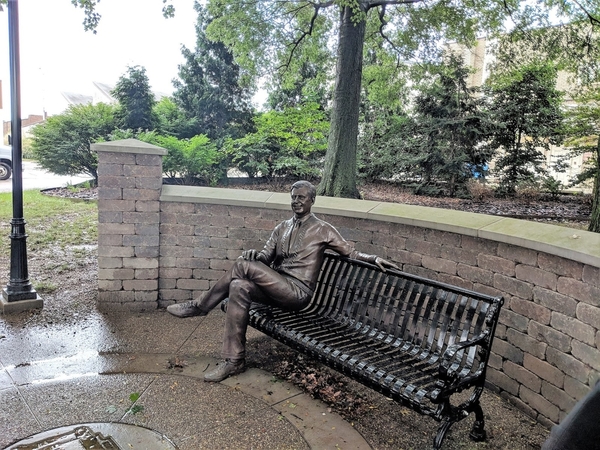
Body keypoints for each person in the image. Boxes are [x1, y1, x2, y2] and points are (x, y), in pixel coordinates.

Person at [167, 180, 398, 382]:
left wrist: (374, 258)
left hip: (297, 293)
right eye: (293, 197)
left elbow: (351, 253)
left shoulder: (323, 229)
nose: (297, 201)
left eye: (302, 198)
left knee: (240, 266)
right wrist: (253, 256)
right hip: (274, 288)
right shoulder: (282, 228)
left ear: (312, 200)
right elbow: (265, 257)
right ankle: (233, 360)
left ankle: (199, 306)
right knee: (238, 286)